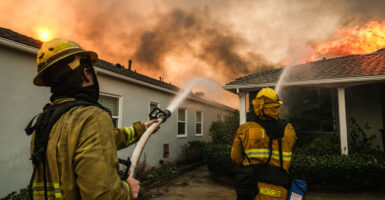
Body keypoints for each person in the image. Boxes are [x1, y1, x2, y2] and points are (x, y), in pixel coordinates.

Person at [25, 38, 159, 200]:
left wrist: (143, 128)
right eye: (93, 70)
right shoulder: (92, 118)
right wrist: (128, 189)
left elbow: (109, 138)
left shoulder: (45, 122)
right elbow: (105, 196)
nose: (96, 73)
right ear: (85, 73)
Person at [231, 87, 296, 200]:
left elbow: (235, 157)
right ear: (276, 106)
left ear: (257, 106)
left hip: (251, 188)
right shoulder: (289, 130)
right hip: (280, 189)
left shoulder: (245, 129)